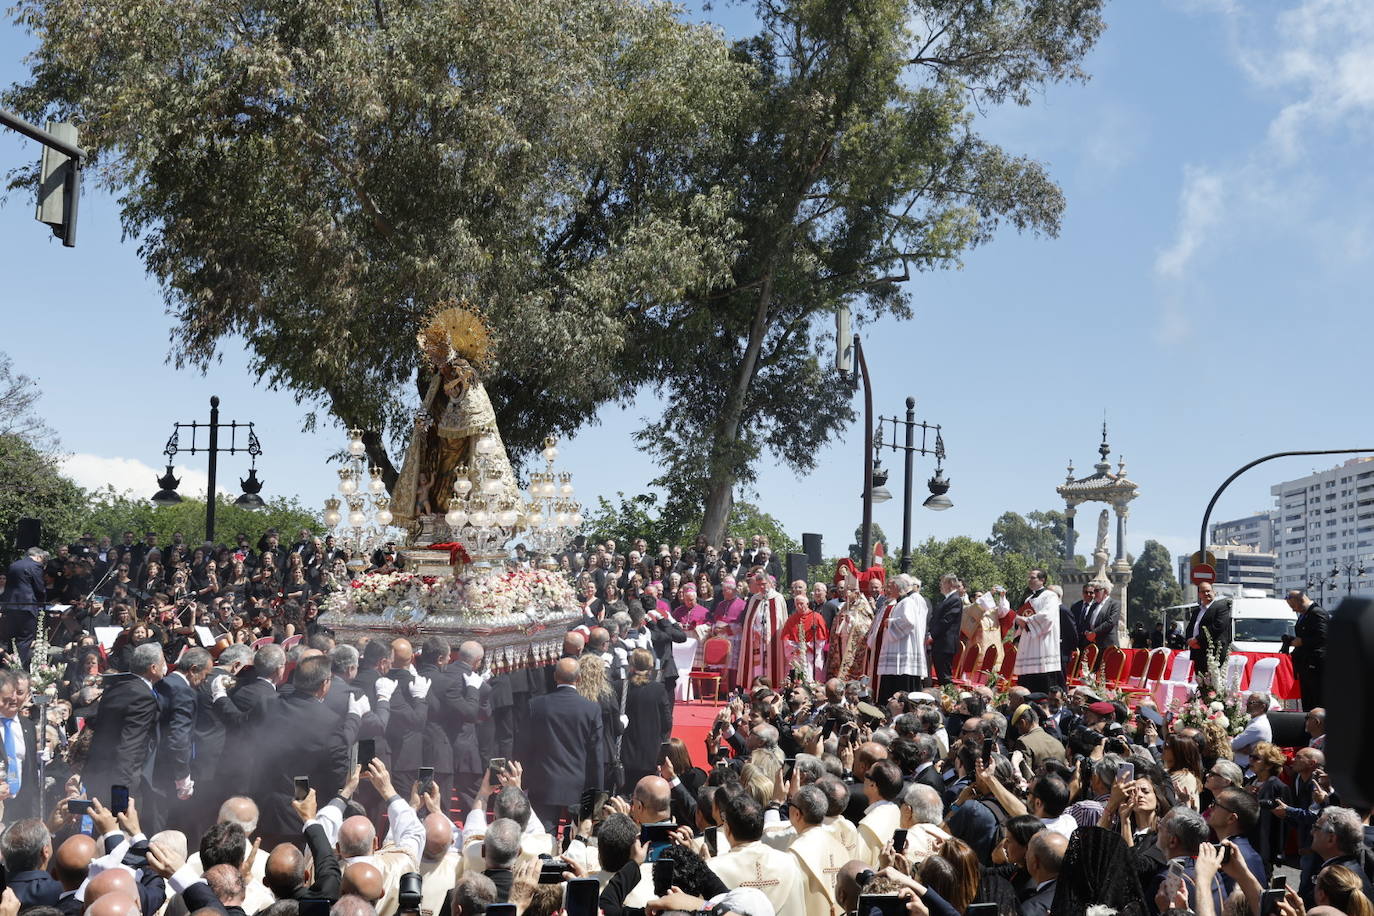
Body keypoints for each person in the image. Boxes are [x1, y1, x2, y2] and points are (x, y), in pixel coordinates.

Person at [514, 657, 603, 826]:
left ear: (555, 676)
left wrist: (523, 781)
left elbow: (523, 746)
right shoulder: (591, 709)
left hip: (543, 782)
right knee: (576, 837)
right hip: (577, 784)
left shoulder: (536, 705)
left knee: (543, 841)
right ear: (579, 679)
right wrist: (597, 794)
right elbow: (596, 755)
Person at [84, 642, 164, 804]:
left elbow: (94, 721)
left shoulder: (117, 687)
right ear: (153, 668)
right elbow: (130, 745)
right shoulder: (143, 696)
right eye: (163, 663)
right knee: (119, 826)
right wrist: (120, 795)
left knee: (101, 827)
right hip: (119, 782)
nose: (165, 668)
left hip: (97, 774)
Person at [867, 574, 928, 702]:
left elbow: (909, 622)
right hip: (897, 651)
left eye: (890, 587)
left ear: (898, 587)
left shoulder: (907, 602)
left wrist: (890, 622)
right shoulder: (901, 602)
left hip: (903, 652)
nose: (888, 590)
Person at [621, 648, 671, 790]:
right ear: (650, 667)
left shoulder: (621, 687)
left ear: (631, 666)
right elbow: (667, 721)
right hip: (651, 752)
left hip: (626, 752)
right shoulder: (658, 690)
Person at [1010, 570, 1063, 693]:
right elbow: (1020, 618)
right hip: (1028, 643)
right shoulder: (1028, 598)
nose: (1029, 580)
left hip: (1042, 644)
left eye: (1032, 578)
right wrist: (1018, 620)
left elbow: (1047, 617)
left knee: (1042, 683)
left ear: (1042, 580)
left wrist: (1026, 621)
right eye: (1028, 577)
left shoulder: (1050, 596)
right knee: (1026, 683)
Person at [734, 570, 786, 688]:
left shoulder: (778, 598)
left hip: (773, 642)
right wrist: (754, 632)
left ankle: (773, 689)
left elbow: (782, 621)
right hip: (756, 641)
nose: (762, 587)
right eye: (759, 585)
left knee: (772, 667)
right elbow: (749, 622)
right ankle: (756, 688)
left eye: (764, 584)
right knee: (756, 667)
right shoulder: (754, 599)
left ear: (769, 583)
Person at [0, 672, 41, 822]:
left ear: (28, 695)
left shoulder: (28, 726)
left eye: (19, 692)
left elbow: (32, 778)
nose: (13, 698)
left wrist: (36, 815)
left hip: (23, 809)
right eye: (10, 693)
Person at [0, 548, 48, 665]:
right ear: (39, 557)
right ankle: (19, 666)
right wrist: (42, 602)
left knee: (11, 637)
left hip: (10, 606)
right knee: (25, 639)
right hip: (27, 606)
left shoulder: (13, 565)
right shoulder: (35, 565)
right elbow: (39, 587)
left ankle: (7, 665)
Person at [1286, 588, 1329, 711]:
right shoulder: (1303, 615)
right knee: (1308, 700)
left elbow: (1324, 636)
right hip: (1305, 664)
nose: (1293, 609)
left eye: (1293, 605)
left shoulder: (1317, 613)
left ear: (1300, 600)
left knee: (1317, 700)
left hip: (1316, 664)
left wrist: (1302, 641)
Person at [1188, 582, 1232, 686]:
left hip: (1213, 652)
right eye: (1203, 591)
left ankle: (1214, 702)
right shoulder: (1196, 611)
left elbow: (1218, 626)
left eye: (1208, 591)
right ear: (1199, 594)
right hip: (1197, 651)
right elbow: (1190, 628)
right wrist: (1189, 640)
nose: (1206, 593)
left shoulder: (1221, 607)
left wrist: (1197, 639)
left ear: (1214, 592)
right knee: (1200, 682)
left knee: (1214, 684)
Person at [928, 575, 964, 684]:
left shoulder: (955, 600)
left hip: (945, 644)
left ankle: (949, 698)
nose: (940, 585)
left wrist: (932, 635)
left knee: (945, 677)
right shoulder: (947, 599)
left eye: (942, 582)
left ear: (950, 584)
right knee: (941, 676)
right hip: (940, 643)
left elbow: (946, 621)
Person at [1079, 583, 1121, 650]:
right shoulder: (1093, 605)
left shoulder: (1114, 604)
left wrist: (1094, 633)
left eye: (1096, 590)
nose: (1094, 593)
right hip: (1093, 644)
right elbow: (1086, 621)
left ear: (1105, 591)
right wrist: (1086, 633)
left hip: (1107, 644)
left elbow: (1111, 622)